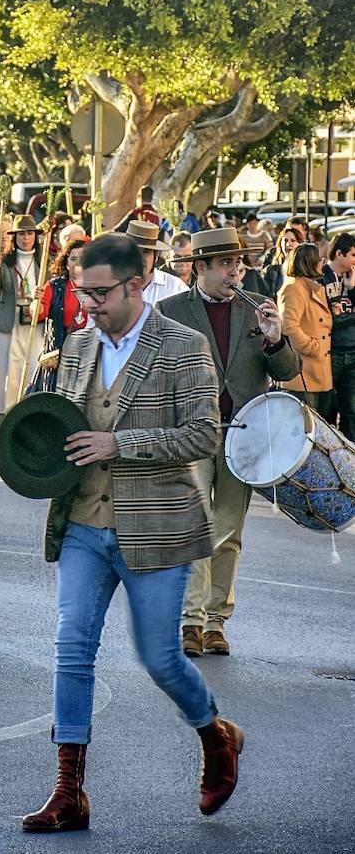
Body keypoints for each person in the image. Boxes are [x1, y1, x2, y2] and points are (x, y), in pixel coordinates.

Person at [23, 233, 241, 835]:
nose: (88, 304)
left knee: (161, 657)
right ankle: (69, 791)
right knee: (72, 648)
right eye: (82, 292)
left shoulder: (183, 345)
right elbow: (65, 429)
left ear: (136, 285)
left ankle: (215, 735)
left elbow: (204, 435)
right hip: (84, 523)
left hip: (159, 526)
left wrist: (120, 444)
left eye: (99, 293)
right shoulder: (75, 346)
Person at [158, 227, 300, 658]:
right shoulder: (170, 311)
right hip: (192, 434)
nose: (234, 271)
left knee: (229, 532)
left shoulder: (258, 306)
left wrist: (276, 339)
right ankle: (191, 621)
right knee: (196, 526)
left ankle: (216, 621)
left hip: (243, 437)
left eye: (237, 263)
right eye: (225, 264)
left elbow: (289, 370)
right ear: (199, 267)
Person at [0, 215, 43, 415]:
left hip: (34, 321)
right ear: (14, 237)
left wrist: (41, 295)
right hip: (8, 320)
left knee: (32, 365)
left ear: (35, 236)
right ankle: (5, 413)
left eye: (29, 234)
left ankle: (29, 411)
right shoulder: (5, 262)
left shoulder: (44, 261)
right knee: (5, 369)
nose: (25, 238)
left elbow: (51, 291)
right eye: (21, 234)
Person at [278, 243, 335, 422]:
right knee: (305, 428)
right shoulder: (294, 288)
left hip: (317, 371)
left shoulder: (311, 287)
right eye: (319, 259)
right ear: (310, 262)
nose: (322, 263)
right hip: (303, 374)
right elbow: (289, 326)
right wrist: (313, 348)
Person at [33, 236, 89, 390]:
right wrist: (36, 300)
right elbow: (38, 313)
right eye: (73, 259)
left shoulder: (99, 287)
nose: (78, 263)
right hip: (59, 354)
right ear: (66, 262)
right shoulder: (54, 286)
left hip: (88, 353)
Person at [323, 232, 355, 440]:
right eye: (353, 255)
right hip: (330, 352)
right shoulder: (321, 277)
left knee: (351, 412)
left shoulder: (352, 278)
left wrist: (352, 289)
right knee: (327, 409)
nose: (354, 260)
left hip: (352, 351)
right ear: (339, 254)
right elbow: (326, 319)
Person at [123, 220, 188, 306]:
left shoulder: (175, 288)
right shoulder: (113, 284)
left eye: (146, 252)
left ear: (156, 255)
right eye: (134, 251)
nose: (140, 258)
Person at [262, 223, 306, 297]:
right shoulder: (270, 271)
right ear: (280, 244)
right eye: (285, 241)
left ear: (300, 244)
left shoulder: (307, 270)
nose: (288, 244)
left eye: (293, 240)